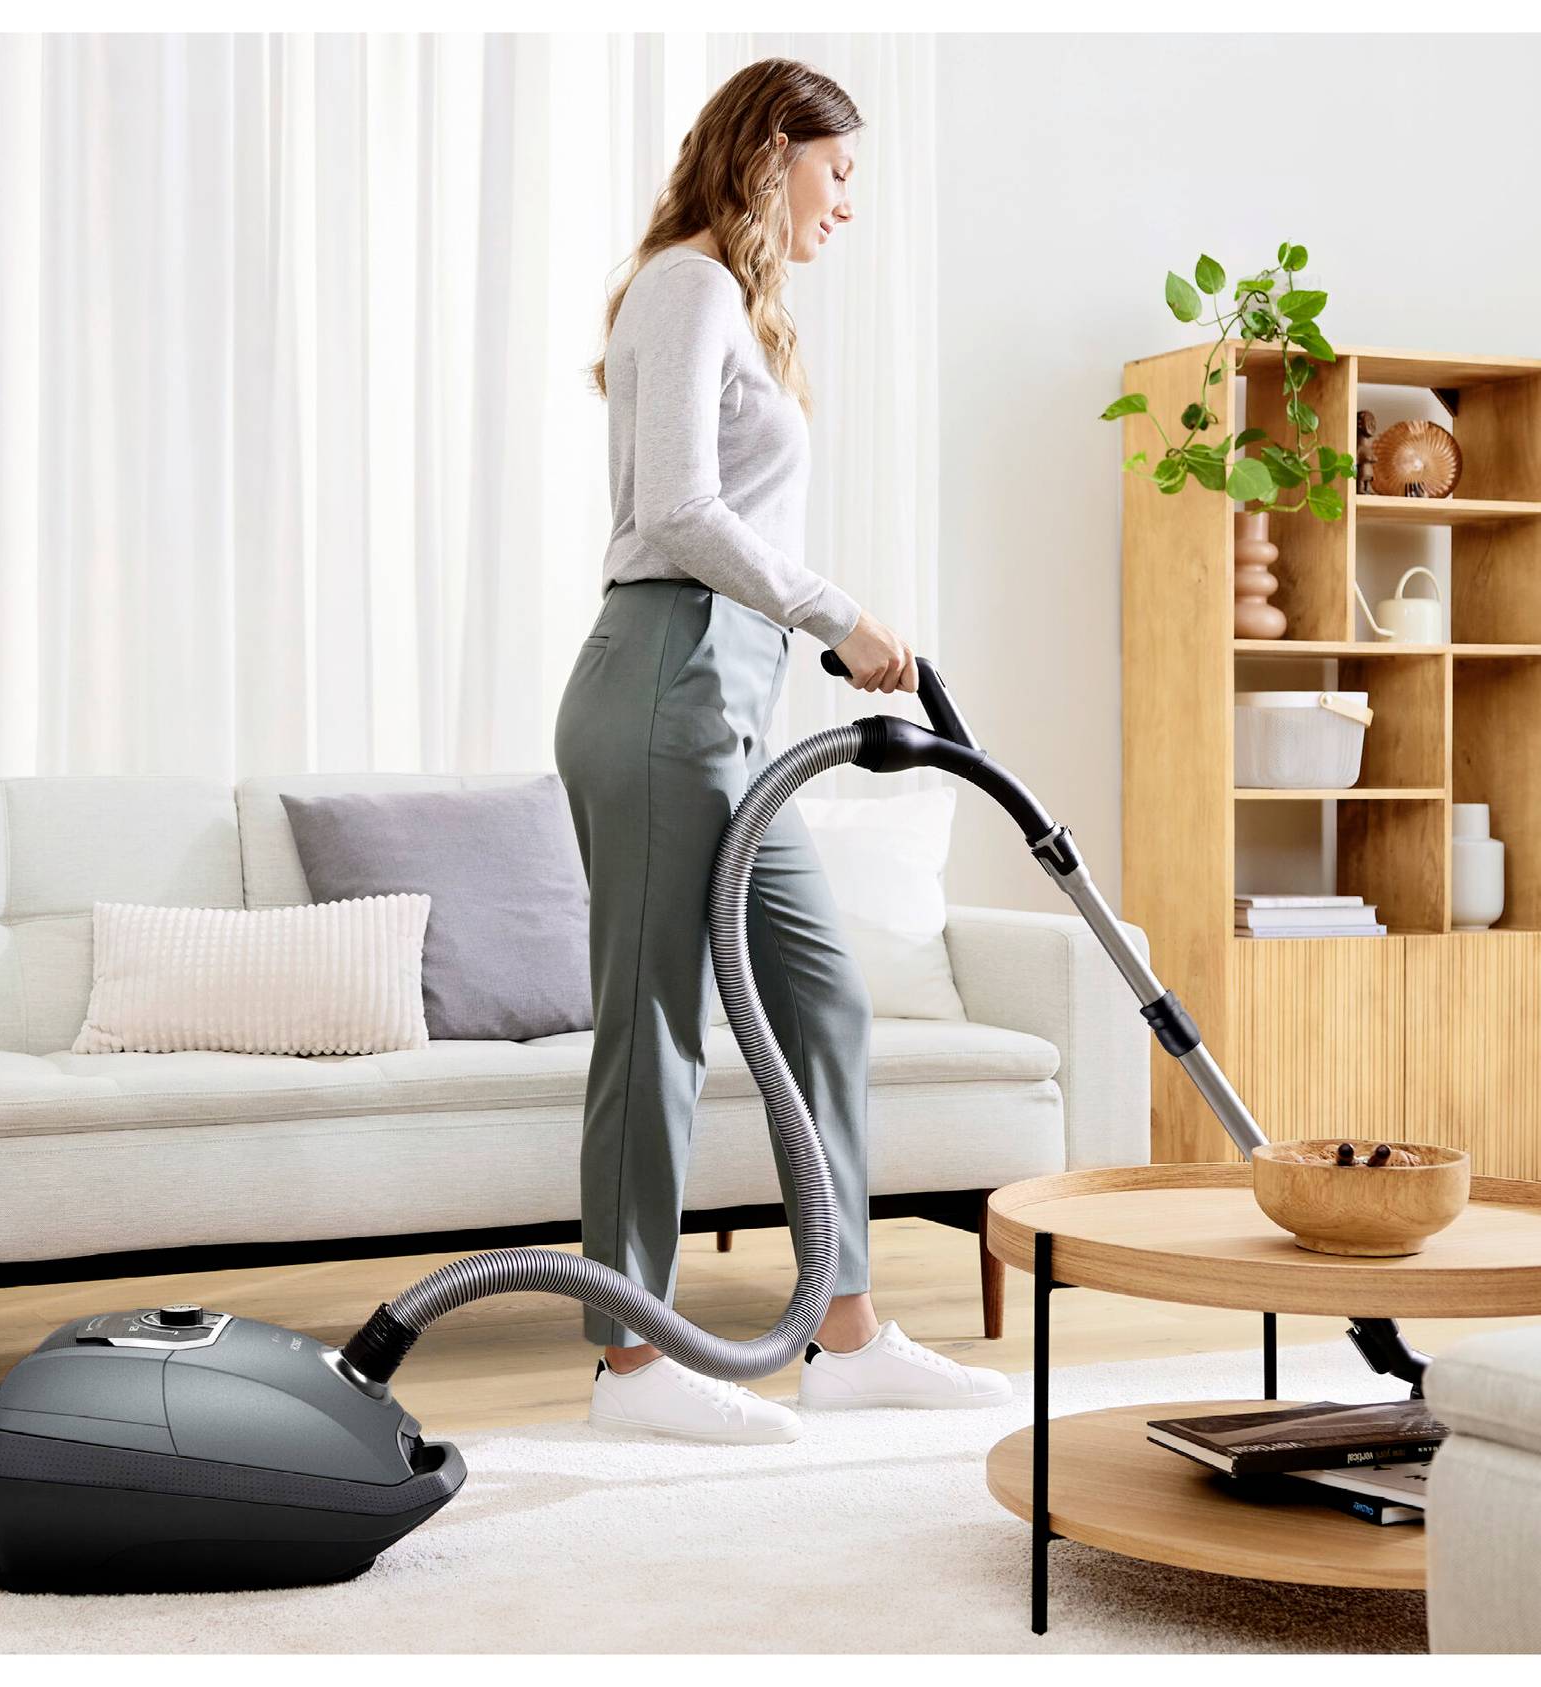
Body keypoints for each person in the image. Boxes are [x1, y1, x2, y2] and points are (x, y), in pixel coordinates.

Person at [555, 58, 1010, 1445]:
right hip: (662, 685)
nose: (848, 204)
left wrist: (821, 633)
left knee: (822, 1001)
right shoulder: (685, 285)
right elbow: (678, 509)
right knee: (655, 1022)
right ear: (771, 153)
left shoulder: (734, 308)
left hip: (731, 705)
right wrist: (843, 614)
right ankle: (633, 1369)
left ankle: (846, 1329)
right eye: (839, 170)